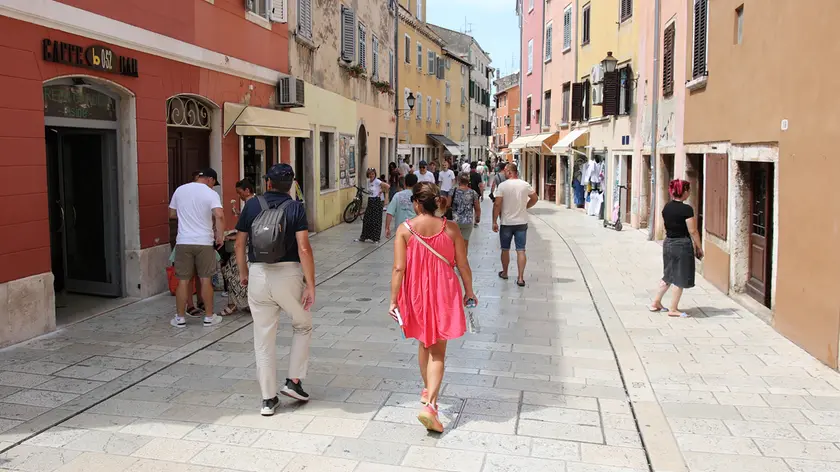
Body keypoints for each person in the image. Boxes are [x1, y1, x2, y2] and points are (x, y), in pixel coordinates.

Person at [390, 182, 476, 433]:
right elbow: (463, 264)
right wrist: (469, 291)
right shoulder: (450, 229)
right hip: (444, 292)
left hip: (416, 293)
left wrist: (393, 299)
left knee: (424, 342)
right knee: (438, 351)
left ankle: (428, 390)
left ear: (416, 203)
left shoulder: (404, 230)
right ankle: (431, 406)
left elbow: (398, 268)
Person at [234, 164, 315, 416]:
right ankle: (293, 381)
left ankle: (268, 400)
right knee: (302, 325)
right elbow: (304, 248)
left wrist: (244, 273)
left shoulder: (252, 205)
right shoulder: (295, 208)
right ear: (291, 184)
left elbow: (239, 243)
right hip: (288, 274)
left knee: (263, 337)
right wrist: (310, 284)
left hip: (258, 273)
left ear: (268, 182)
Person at [168, 168, 225, 328]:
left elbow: (171, 214)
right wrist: (220, 236)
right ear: (210, 180)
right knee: (205, 279)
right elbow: (219, 215)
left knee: (183, 281)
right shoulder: (210, 193)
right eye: (214, 183)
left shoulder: (180, 190)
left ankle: (180, 318)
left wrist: (187, 214)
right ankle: (208, 317)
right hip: (204, 242)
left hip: (183, 241)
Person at [650, 180, 703, 317]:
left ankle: (656, 302)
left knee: (668, 274)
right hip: (681, 244)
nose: (689, 193)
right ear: (684, 191)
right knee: (680, 275)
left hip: (668, 243)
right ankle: (673, 309)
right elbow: (693, 231)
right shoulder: (686, 210)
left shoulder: (666, 207)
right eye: (688, 190)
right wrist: (699, 247)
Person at [492, 163, 537, 287]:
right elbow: (535, 198)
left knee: (505, 249)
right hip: (521, 222)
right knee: (521, 250)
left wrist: (494, 221)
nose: (504, 174)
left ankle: (505, 272)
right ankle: (521, 278)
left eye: (506, 171)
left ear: (510, 172)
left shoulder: (502, 186)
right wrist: (526, 206)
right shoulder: (525, 184)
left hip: (507, 223)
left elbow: (497, 204)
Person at [356, 169, 390, 243]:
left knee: (376, 220)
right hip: (370, 201)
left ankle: (376, 238)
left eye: (373, 174)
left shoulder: (377, 181)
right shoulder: (368, 182)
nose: (371, 175)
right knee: (366, 219)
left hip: (376, 201)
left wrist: (382, 191)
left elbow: (387, 186)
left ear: (375, 174)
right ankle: (363, 237)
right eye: (370, 174)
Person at [451, 174, 481, 253]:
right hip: (467, 221)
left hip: (455, 221)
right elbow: (477, 208)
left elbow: (447, 205)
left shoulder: (453, 191)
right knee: (465, 242)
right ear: (468, 182)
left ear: (459, 181)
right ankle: (463, 260)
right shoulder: (473, 193)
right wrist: (477, 218)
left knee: (454, 242)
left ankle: (455, 259)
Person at [385, 173, 419, 238]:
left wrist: (387, 227)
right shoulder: (418, 197)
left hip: (400, 229)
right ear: (416, 184)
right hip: (415, 230)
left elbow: (389, 212)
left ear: (405, 183)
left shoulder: (397, 195)